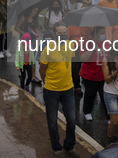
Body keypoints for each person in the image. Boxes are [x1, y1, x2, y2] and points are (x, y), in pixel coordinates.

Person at [39, 22, 80, 158]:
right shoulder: (48, 49)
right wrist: (48, 84)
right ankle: (56, 148)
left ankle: (69, 146)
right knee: (52, 121)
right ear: (54, 33)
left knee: (72, 120)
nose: (62, 35)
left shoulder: (70, 46)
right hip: (51, 91)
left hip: (68, 89)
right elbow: (42, 70)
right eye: (59, 33)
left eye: (64, 33)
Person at [79, 27, 108, 122]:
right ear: (95, 33)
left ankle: (108, 115)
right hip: (89, 75)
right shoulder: (87, 43)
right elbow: (83, 58)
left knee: (105, 96)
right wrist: (92, 49)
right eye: (101, 33)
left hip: (103, 74)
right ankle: (87, 112)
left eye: (104, 33)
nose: (103, 35)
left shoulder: (106, 43)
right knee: (90, 94)